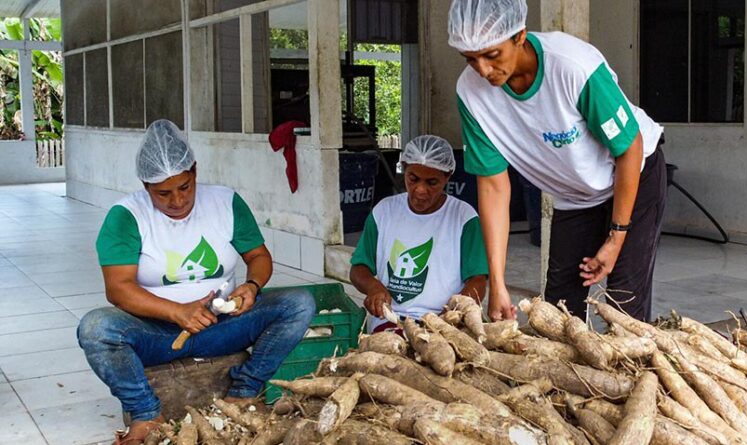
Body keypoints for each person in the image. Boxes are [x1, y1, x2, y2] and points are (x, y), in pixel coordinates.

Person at [77, 120, 315, 444]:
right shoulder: (126, 216)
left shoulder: (225, 203)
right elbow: (118, 289)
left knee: (298, 303)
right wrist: (178, 312)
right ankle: (146, 413)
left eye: (184, 187)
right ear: (146, 186)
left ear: (195, 171)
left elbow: (259, 257)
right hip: (156, 334)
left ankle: (243, 393)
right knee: (96, 328)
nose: (177, 200)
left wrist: (251, 286)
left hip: (222, 326)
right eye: (163, 193)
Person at [448, 0, 666, 322]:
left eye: (492, 55)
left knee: (623, 308)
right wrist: (498, 283)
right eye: (470, 59)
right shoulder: (470, 93)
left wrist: (616, 237)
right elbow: (493, 187)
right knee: (557, 310)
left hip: (634, 172)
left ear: (519, 36)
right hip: (575, 196)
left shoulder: (572, 66)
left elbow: (629, 147)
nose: (482, 69)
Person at [349, 135, 489, 332]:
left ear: (447, 176)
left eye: (432, 182)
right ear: (404, 169)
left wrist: (452, 314)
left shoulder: (463, 217)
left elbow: (477, 280)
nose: (420, 190)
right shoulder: (384, 212)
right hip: (392, 320)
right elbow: (358, 269)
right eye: (413, 179)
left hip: (445, 322)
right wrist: (374, 288)